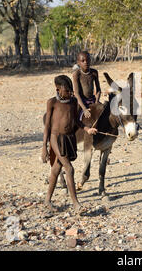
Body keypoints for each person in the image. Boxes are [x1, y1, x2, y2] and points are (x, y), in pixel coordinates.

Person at [42, 75, 97, 213]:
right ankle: (76, 204)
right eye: (66, 90)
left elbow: (77, 121)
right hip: (56, 138)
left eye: (71, 90)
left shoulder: (73, 102)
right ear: (58, 89)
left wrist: (87, 129)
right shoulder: (52, 102)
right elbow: (47, 125)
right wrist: (44, 147)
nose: (70, 93)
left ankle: (47, 200)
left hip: (69, 138)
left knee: (56, 169)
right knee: (69, 168)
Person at [72, 51, 101, 122]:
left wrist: (97, 102)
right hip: (81, 101)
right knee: (75, 118)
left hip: (93, 99)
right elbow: (76, 93)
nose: (86, 62)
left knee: (102, 113)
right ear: (78, 62)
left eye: (88, 60)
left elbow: (98, 90)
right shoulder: (77, 74)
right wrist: (84, 109)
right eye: (83, 61)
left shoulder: (94, 72)